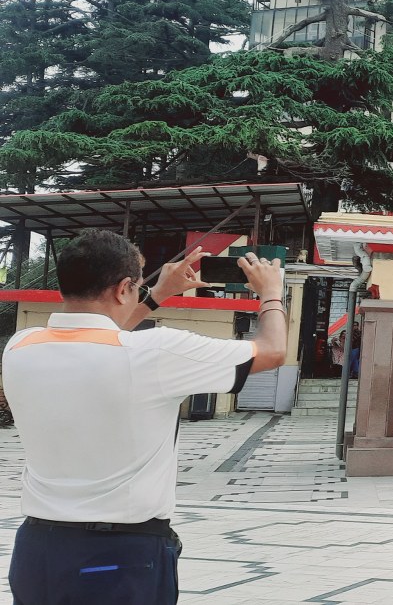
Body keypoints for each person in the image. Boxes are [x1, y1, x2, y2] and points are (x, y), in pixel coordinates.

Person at [4, 232, 287, 604]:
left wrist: (156, 294)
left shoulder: (21, 345)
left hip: (36, 549)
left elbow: (103, 339)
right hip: (118, 553)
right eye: (137, 287)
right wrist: (271, 292)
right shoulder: (156, 351)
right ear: (124, 289)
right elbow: (272, 351)